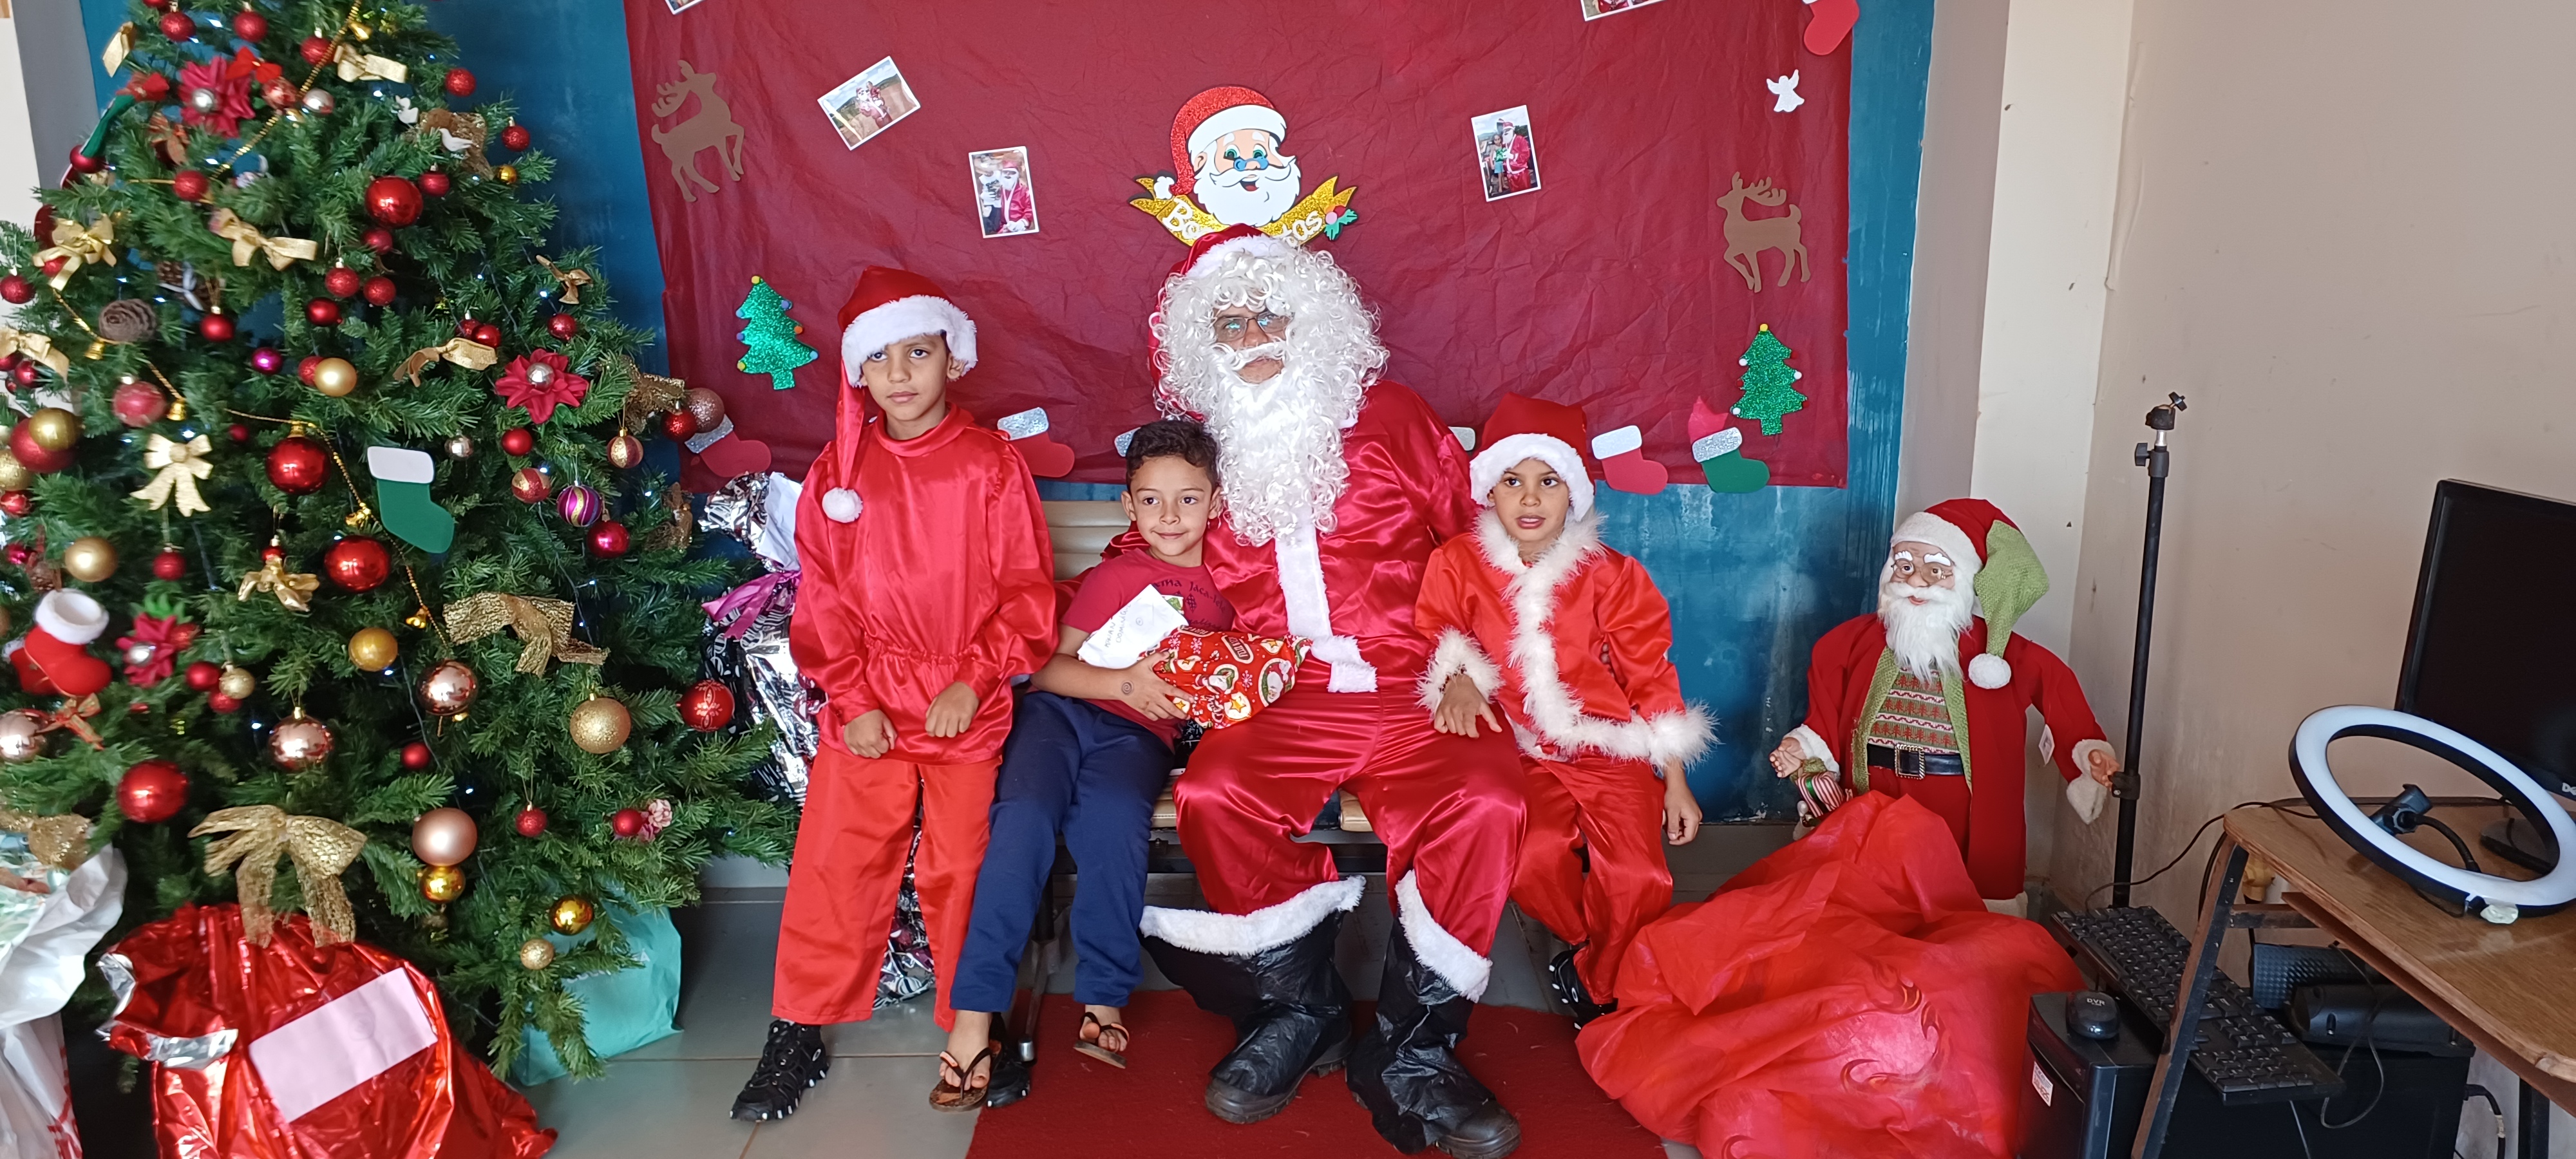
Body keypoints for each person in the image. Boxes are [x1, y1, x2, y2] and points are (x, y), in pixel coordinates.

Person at [1132, 225, 1527, 1159]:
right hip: (1282, 691)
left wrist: (1465, 662)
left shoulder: (1392, 416)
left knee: (1486, 798)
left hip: (1415, 682)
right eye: (1228, 324)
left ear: (1311, 317)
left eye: (1269, 314)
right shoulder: (1204, 449)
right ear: (1202, 344)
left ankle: (1414, 1049)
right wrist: (1113, 657)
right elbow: (1148, 551)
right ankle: (1299, 1013)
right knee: (1215, 794)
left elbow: (1479, 544)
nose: (1252, 338)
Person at [732, 266, 1056, 1122]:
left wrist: (972, 679)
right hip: (868, 702)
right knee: (837, 861)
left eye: (918, 351)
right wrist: (853, 695)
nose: (900, 373)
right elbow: (825, 599)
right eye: (880, 357)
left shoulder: (990, 466)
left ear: (952, 357)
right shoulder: (841, 473)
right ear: (858, 372)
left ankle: (975, 1019)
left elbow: (1026, 594)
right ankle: (799, 1026)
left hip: (961, 704)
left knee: (962, 868)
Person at [942, 419, 1234, 1108]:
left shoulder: (1234, 586)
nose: (1170, 517)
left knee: (1113, 824)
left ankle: (1104, 995)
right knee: (1022, 821)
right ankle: (974, 1012)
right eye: (1152, 500)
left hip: (1139, 739)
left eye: (1188, 499)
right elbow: (1044, 669)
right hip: (1061, 717)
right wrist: (1123, 683)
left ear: (1216, 503)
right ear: (1129, 506)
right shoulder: (1118, 576)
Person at [1414, 393, 1710, 1027]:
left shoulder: (1614, 575)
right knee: (1531, 856)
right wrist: (1457, 678)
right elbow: (1438, 632)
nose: (1530, 498)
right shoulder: (1457, 563)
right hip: (1515, 748)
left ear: (1572, 491)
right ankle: (1592, 950)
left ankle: (1599, 984)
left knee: (1640, 877)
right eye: (1512, 481)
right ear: (1489, 491)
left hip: (1606, 747)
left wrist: (1675, 779)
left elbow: (1649, 673)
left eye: (1548, 481)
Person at [1768, 498, 2119, 909]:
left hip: (1958, 801)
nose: (1916, 581)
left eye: (1935, 570)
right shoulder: (1850, 642)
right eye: (1904, 566)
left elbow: (2056, 687)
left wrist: (2086, 749)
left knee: (1954, 900)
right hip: (1874, 791)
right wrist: (1802, 746)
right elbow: (1825, 714)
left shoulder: (1995, 652)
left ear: (1965, 578)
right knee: (1872, 895)